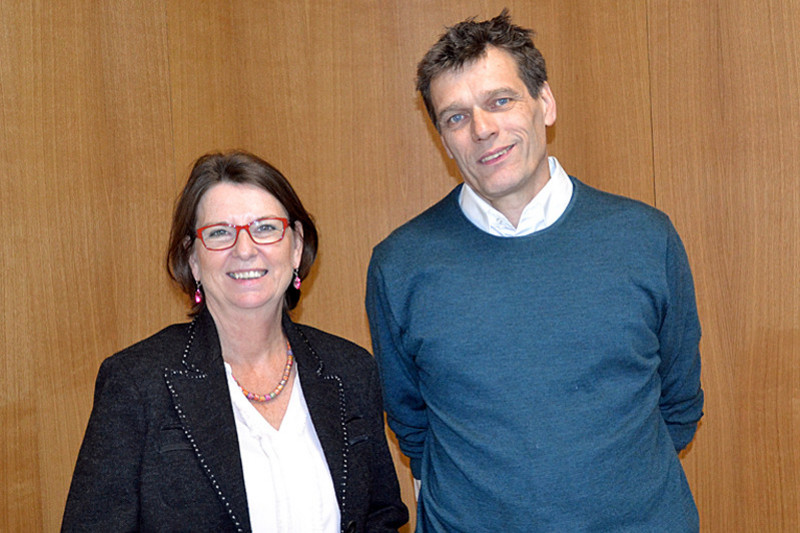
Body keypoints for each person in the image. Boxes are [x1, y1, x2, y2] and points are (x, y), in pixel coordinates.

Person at [366, 10, 703, 532]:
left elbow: (679, 404)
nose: (482, 130)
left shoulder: (645, 238)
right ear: (442, 138)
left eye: (500, 101)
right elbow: (412, 427)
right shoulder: (401, 264)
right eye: (456, 117)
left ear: (544, 103)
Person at [63, 151, 408, 532]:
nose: (244, 250)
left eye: (264, 228)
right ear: (192, 260)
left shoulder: (351, 370)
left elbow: (382, 516)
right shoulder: (136, 384)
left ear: (295, 247)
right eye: (219, 233)